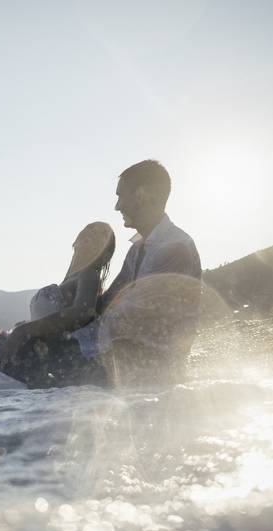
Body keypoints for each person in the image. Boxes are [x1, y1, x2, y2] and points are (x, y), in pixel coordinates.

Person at [70, 159, 202, 387]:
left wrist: (67, 339)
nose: (117, 206)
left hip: (152, 381)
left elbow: (127, 319)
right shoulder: (137, 249)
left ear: (141, 195)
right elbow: (107, 305)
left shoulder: (175, 248)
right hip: (122, 368)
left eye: (121, 196)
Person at [0, 222, 116, 387]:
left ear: (104, 256)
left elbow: (83, 312)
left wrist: (25, 331)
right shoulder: (71, 278)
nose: (89, 238)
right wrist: (26, 327)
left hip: (44, 354)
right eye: (87, 232)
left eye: (97, 239)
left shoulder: (89, 275)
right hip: (32, 345)